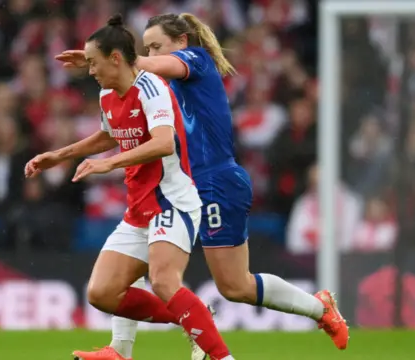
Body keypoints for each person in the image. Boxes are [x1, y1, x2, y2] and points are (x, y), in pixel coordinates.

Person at [58, 13, 349, 360]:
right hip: (175, 187)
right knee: (136, 248)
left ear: (181, 42)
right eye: (145, 46)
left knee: (235, 285)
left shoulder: (195, 60)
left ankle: (320, 307)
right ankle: (120, 349)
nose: (150, 53)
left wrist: (115, 57)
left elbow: (146, 69)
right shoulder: (150, 87)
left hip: (214, 182)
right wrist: (101, 63)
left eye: (155, 46)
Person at [26, 14, 237, 360]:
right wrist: (59, 155)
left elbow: (164, 143)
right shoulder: (107, 95)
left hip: (172, 200)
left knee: (164, 282)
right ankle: (189, 322)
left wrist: (109, 163)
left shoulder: (152, 87)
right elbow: (109, 135)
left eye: (93, 63)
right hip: (139, 208)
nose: (90, 71)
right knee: (102, 293)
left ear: (115, 58)